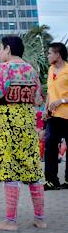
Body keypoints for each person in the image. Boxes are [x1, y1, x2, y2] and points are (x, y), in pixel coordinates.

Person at [0, 35, 46, 231]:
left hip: (7, 121)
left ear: (8, 49)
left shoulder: (0, 69)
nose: (0, 52)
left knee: (9, 170)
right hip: (27, 120)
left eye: (1, 49)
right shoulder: (31, 70)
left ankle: (10, 221)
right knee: (32, 169)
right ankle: (40, 218)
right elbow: (38, 98)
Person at [44, 41, 68, 191]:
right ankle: (51, 180)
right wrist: (45, 109)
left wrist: (62, 100)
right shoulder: (51, 69)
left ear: (58, 54)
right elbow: (49, 92)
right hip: (53, 116)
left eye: (50, 53)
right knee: (50, 146)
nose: (47, 55)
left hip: (67, 114)